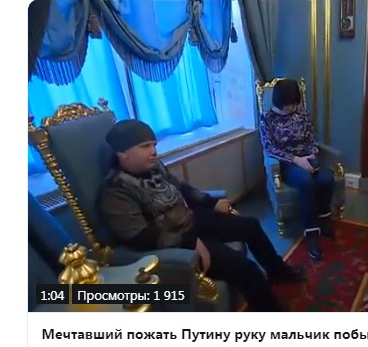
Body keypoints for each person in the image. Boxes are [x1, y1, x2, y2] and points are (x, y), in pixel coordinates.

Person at [98, 119, 306, 312]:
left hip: (189, 219)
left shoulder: (154, 166)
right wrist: (189, 241)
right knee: (246, 268)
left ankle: (277, 271)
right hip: (171, 239)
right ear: (122, 153)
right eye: (145, 147)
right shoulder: (115, 191)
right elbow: (138, 235)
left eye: (154, 145)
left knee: (250, 225)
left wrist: (210, 202)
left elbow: (181, 188)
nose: (154, 152)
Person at [259, 78, 335, 261]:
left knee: (326, 178)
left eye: (294, 104)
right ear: (279, 101)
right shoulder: (267, 119)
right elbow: (269, 148)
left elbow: (311, 138)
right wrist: (296, 160)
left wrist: (311, 156)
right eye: (288, 105)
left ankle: (323, 218)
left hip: (307, 158)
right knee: (306, 182)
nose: (292, 108)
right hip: (287, 163)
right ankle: (311, 233)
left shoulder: (302, 114)